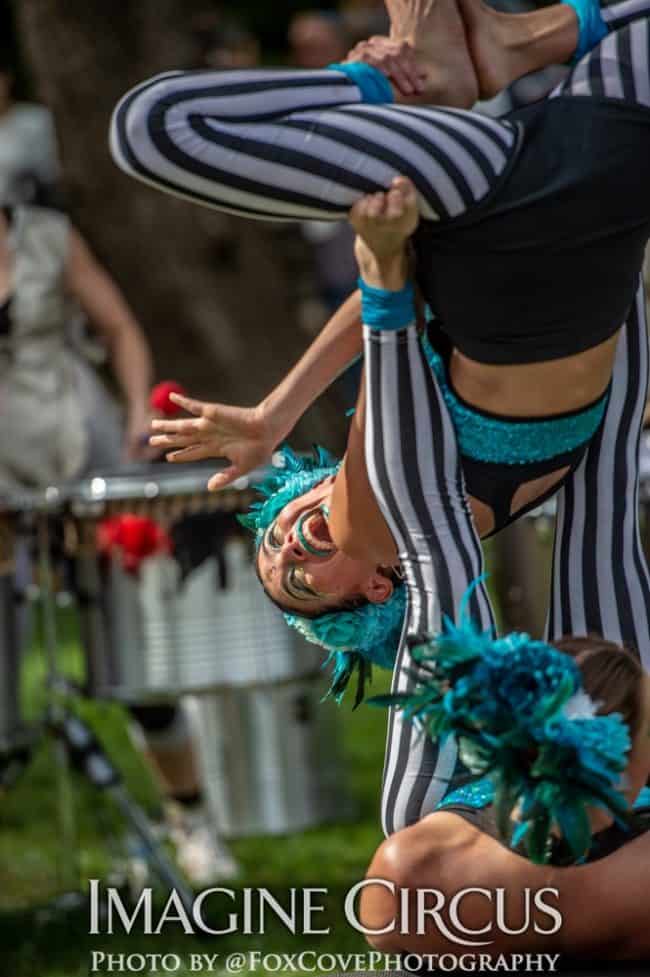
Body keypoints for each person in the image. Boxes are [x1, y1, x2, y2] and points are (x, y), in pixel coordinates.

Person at [350, 178, 650, 961]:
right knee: (597, 509)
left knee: (452, 542)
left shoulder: (412, 867)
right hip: (566, 857)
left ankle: (621, 225)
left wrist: (386, 287)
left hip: (461, 865)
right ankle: (621, 219)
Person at [0, 202, 233, 884]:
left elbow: (120, 326)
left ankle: (191, 821)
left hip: (84, 456)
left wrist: (138, 413)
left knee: (140, 660)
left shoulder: (45, 234)